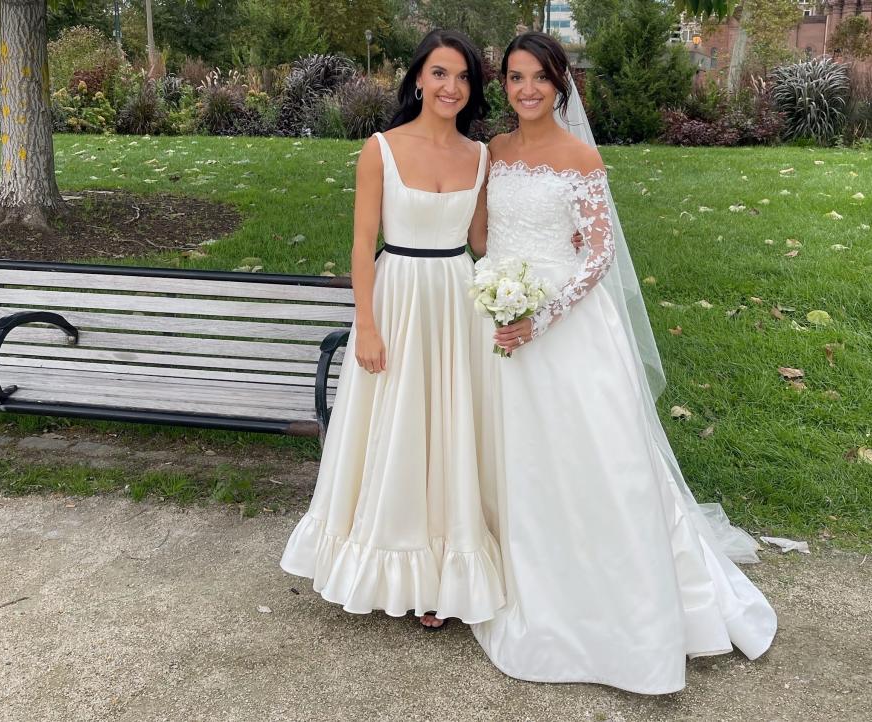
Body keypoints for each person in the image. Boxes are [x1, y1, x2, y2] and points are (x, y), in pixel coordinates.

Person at [471, 32, 777, 693]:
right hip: (502, 318)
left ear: (560, 84)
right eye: (515, 77)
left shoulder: (580, 158)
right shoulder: (493, 152)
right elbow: (480, 234)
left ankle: (622, 609)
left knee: (592, 459)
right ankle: (520, 576)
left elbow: (598, 255)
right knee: (515, 457)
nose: (526, 89)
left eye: (539, 78)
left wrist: (542, 313)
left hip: (566, 324)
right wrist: (491, 286)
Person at [280, 29, 504, 631]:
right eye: (439, 73)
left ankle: (443, 578)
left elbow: (483, 243)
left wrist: (545, 264)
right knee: (398, 431)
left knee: (450, 430)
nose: (450, 87)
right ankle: (391, 565)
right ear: (417, 79)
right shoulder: (378, 149)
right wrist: (367, 326)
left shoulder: (480, 157)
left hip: (457, 304)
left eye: (462, 77)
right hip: (397, 296)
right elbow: (361, 245)